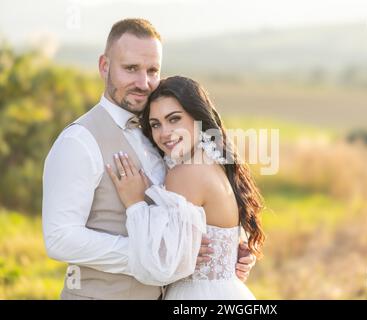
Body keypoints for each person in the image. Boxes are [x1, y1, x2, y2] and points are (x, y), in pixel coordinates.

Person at [42, 18, 255, 300]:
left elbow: (190, 210)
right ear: (104, 66)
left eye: (152, 70)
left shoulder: (162, 137)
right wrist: (160, 254)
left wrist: (227, 253)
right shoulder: (79, 141)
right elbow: (60, 238)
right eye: (130, 68)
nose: (143, 83)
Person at [106, 76, 265, 299]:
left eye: (174, 119)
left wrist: (135, 204)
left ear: (197, 117)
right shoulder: (216, 163)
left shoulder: (185, 173)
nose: (164, 133)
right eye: (155, 124)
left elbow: (160, 265)